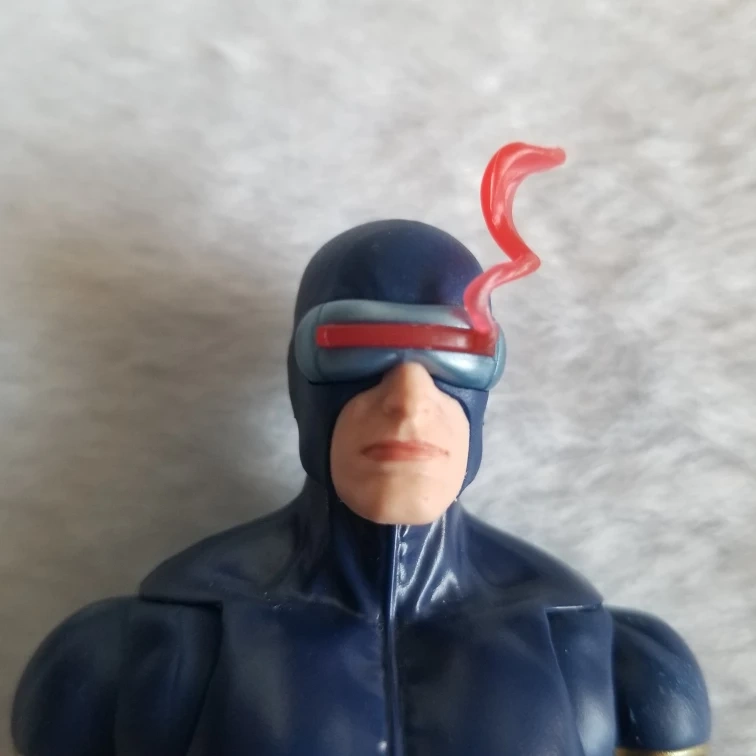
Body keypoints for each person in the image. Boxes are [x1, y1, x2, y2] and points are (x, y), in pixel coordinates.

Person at [12, 144, 710, 756]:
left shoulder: (615, 662)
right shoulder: (136, 653)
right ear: (300, 379)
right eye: (352, 348)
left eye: (457, 353)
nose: (408, 399)